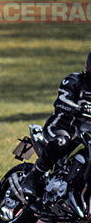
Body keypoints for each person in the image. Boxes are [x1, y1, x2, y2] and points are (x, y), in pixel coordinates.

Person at [19, 52, 91, 196]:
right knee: (61, 143)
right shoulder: (74, 81)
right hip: (61, 127)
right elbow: (61, 101)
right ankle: (33, 176)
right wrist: (78, 108)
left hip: (85, 134)